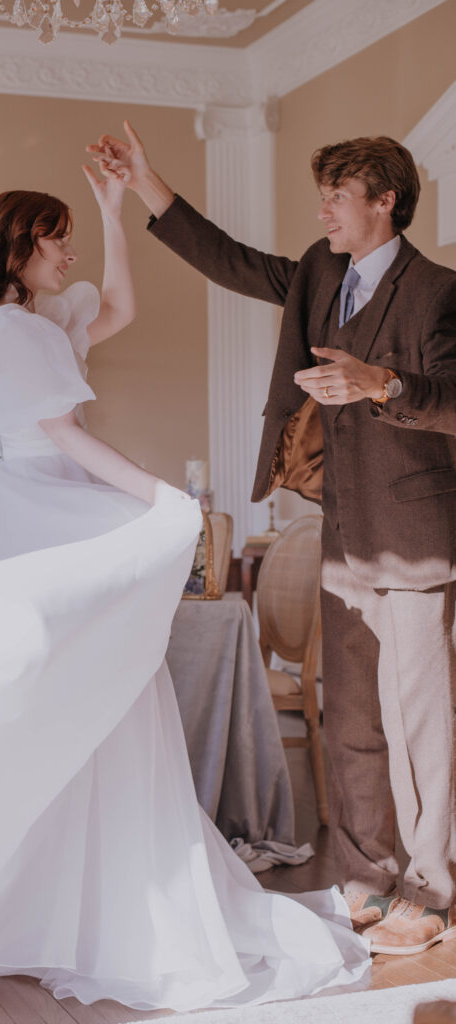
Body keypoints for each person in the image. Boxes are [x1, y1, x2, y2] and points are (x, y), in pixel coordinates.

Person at [0, 168, 370, 1010]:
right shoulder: (13, 330)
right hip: (40, 511)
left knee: (100, 700)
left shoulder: (23, 320)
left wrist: (113, 209)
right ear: (20, 247)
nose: (71, 252)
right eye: (59, 238)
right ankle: (36, 901)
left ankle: (72, 900)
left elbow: (118, 307)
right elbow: (62, 434)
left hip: (41, 506)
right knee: (60, 702)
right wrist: (158, 497)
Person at [88, 123, 456, 956]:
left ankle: (433, 889)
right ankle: (367, 876)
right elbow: (234, 261)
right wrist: (148, 184)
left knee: (423, 722)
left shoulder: (439, 292)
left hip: (419, 538)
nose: (323, 209)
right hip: (343, 530)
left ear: (385, 201)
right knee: (351, 716)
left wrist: (383, 382)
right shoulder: (320, 273)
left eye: (338, 195)